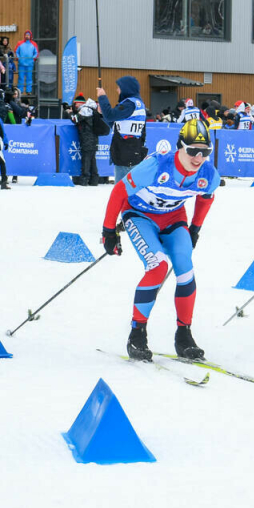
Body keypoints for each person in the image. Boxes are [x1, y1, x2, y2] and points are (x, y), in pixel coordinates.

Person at [100, 118, 219, 361]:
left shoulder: (209, 174)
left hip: (173, 218)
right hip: (140, 215)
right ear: (180, 147)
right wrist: (109, 231)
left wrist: (195, 229)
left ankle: (184, 335)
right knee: (158, 266)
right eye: (193, 151)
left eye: (205, 152)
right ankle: (137, 333)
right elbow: (119, 191)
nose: (198, 158)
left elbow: (206, 197)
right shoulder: (156, 165)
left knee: (185, 268)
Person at [96, 76, 147, 182]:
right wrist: (103, 113)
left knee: (122, 189)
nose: (117, 90)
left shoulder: (129, 104)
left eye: (119, 87)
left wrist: (102, 97)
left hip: (125, 154)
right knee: (129, 187)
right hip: (132, 152)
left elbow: (110, 115)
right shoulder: (137, 104)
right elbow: (116, 125)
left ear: (126, 88)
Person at [72, 93, 109, 186]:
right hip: (93, 138)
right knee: (92, 160)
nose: (75, 105)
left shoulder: (85, 110)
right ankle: (94, 180)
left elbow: (75, 119)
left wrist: (69, 113)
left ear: (80, 103)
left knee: (86, 160)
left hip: (87, 139)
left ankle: (84, 179)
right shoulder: (91, 109)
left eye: (76, 103)